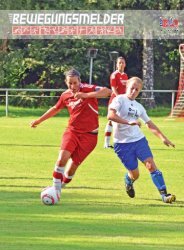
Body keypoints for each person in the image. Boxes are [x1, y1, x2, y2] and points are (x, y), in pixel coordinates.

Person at [30, 69, 111, 199]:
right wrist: (39, 120)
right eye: (70, 83)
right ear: (66, 82)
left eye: (75, 83)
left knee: (71, 169)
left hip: (90, 136)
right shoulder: (65, 95)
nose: (72, 86)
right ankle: (55, 191)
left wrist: (86, 95)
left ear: (80, 81)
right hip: (72, 131)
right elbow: (55, 109)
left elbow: (108, 92)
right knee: (62, 159)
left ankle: (58, 188)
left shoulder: (88, 89)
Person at [107, 77, 176, 204]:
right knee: (135, 174)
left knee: (150, 165)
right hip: (122, 145)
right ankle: (129, 181)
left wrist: (163, 138)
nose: (133, 91)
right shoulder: (119, 100)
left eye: (137, 89)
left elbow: (149, 124)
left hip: (139, 141)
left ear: (139, 91)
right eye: (132, 88)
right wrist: (128, 122)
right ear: (127, 86)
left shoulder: (139, 107)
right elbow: (110, 116)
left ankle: (164, 195)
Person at [104, 56, 128, 148]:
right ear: (117, 65)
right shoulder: (114, 75)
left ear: (125, 64)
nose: (121, 64)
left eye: (123, 62)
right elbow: (113, 88)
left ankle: (122, 142)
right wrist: (119, 97)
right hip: (115, 100)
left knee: (122, 121)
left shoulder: (125, 75)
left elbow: (126, 88)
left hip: (123, 101)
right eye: (119, 63)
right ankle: (106, 143)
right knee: (111, 121)